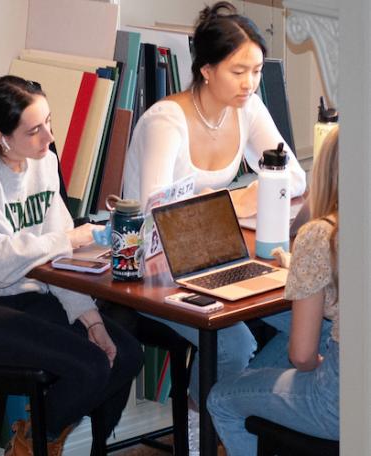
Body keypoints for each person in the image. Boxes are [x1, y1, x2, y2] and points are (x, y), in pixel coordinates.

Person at [0, 72, 143, 453]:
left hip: (23, 297)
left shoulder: (42, 161)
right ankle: (34, 444)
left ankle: (37, 439)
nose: (49, 138)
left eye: (49, 122)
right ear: (2, 137)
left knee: (125, 355)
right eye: (35, 130)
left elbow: (57, 259)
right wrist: (68, 238)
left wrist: (89, 319)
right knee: (89, 366)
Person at [119, 1, 307, 407]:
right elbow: (159, 210)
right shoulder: (165, 121)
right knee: (233, 345)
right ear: (206, 70)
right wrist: (235, 201)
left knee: (309, 320)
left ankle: (233, 408)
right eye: (238, 72)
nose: (250, 84)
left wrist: (228, 202)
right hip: (153, 269)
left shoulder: (247, 108)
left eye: (256, 71)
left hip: (216, 256)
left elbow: (294, 176)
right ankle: (204, 420)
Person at [207, 127, 340, 455]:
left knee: (221, 399)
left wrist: (316, 367)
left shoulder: (321, 237)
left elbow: (301, 355)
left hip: (341, 403)